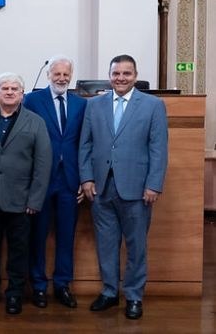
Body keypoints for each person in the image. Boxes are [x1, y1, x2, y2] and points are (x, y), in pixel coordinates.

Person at [79, 54, 168, 320]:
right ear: (109, 76)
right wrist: (86, 179)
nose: (120, 78)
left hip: (137, 189)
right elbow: (85, 145)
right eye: (116, 74)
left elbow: (158, 149)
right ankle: (109, 292)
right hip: (101, 188)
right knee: (106, 245)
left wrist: (153, 184)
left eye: (126, 74)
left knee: (136, 246)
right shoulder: (94, 105)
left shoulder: (153, 105)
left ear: (135, 76)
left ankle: (133, 296)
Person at [0, 72, 51, 315]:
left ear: (22, 94)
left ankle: (15, 294)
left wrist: (35, 200)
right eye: (4, 88)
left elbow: (43, 164)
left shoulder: (35, 122)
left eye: (14, 89)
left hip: (22, 200)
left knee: (19, 252)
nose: (9, 92)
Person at [23, 56, 86, 309]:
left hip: (70, 180)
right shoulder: (32, 100)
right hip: (41, 179)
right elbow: (25, 141)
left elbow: (85, 143)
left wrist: (84, 178)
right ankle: (38, 286)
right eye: (56, 74)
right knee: (37, 236)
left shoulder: (82, 105)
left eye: (65, 74)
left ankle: (62, 285)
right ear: (48, 75)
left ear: (71, 76)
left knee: (66, 236)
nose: (61, 78)